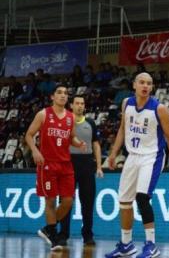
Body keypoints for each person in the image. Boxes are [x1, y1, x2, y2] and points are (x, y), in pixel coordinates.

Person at [104, 73, 169, 258]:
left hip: (152, 156)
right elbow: (122, 129)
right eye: (142, 82)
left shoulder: (159, 108)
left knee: (141, 198)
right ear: (134, 85)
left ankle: (151, 245)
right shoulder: (126, 103)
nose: (145, 86)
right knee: (124, 201)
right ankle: (126, 245)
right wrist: (114, 153)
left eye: (149, 83)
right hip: (132, 156)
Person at [24, 84, 88, 251]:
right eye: (59, 93)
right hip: (47, 163)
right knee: (50, 200)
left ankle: (48, 229)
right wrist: (35, 151)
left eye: (65, 93)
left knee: (68, 201)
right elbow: (29, 135)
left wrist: (78, 143)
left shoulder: (70, 117)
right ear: (52, 96)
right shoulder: (43, 114)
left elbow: (71, 137)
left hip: (66, 164)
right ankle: (53, 235)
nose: (63, 95)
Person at [59, 94, 104, 246]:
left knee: (88, 202)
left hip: (86, 165)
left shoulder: (91, 122)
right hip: (67, 165)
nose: (80, 106)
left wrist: (98, 166)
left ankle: (88, 235)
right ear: (71, 105)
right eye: (77, 103)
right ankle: (63, 235)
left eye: (82, 103)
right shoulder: (64, 122)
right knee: (65, 201)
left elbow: (96, 145)